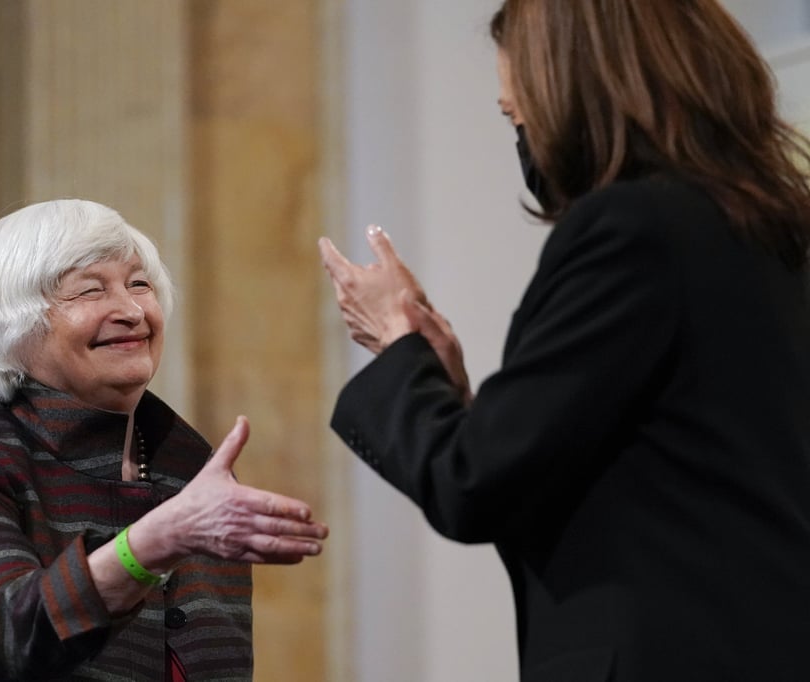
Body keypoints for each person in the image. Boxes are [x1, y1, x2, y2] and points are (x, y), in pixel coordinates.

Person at [319, 1, 810, 680]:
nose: (521, 134)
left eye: (515, 115)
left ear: (573, 93)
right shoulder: (770, 233)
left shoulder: (631, 229)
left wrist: (399, 340)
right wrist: (447, 388)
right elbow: (626, 463)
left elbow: (474, 485)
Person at [0, 199, 328, 681]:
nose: (132, 310)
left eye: (140, 284)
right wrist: (157, 541)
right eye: (90, 291)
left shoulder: (192, 469)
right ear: (12, 324)